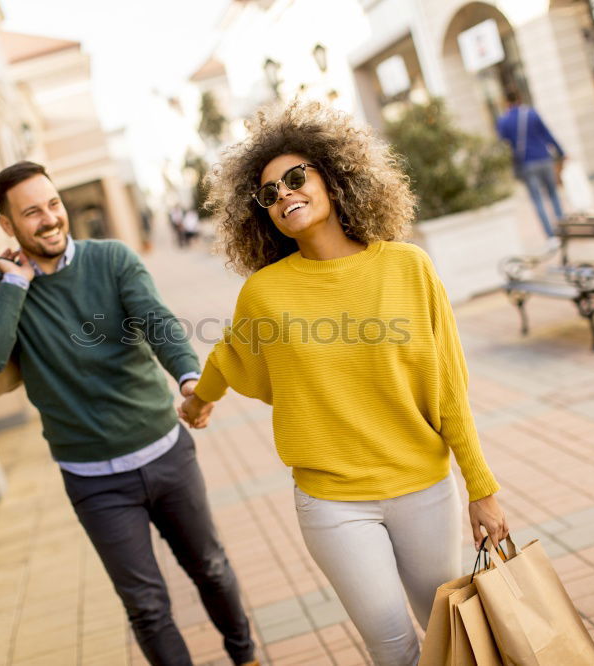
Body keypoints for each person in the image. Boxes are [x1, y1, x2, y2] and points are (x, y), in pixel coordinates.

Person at [179, 103, 507, 666]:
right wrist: (198, 399)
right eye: (269, 192)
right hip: (332, 503)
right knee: (394, 647)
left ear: (333, 178)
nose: (284, 193)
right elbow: (233, 356)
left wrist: (482, 487)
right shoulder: (265, 293)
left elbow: (449, 389)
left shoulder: (409, 268)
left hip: (424, 488)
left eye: (296, 177)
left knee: (450, 636)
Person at [0, 161, 257, 666]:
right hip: (94, 482)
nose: (50, 219)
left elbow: (156, 321)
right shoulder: (1, 291)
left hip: (167, 455)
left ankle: (245, 656)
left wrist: (189, 380)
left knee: (210, 567)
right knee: (146, 607)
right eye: (31, 213)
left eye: (53, 205)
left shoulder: (112, 259)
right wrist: (14, 285)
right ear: (7, 226)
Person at [496, 89, 565, 242]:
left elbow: (503, 144)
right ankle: (563, 228)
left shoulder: (504, 121)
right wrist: (561, 152)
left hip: (527, 164)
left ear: (506, 102)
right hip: (544, 158)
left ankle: (551, 237)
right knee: (553, 195)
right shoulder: (532, 114)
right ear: (519, 99)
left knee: (537, 200)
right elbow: (547, 134)